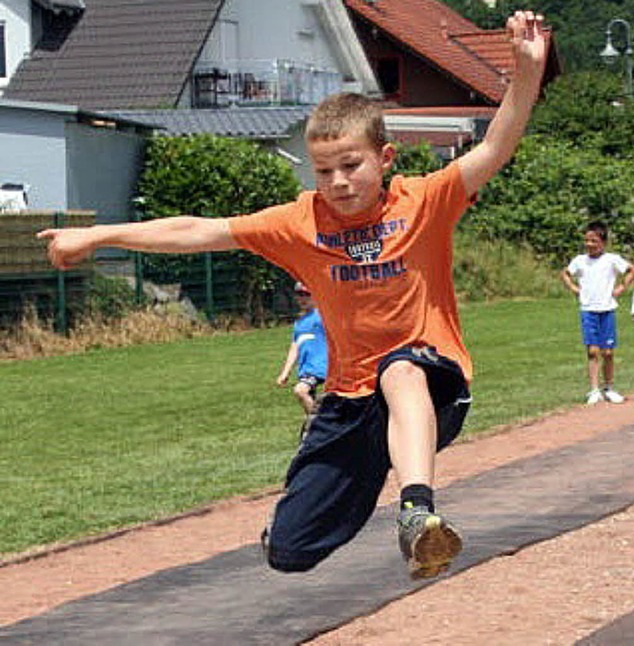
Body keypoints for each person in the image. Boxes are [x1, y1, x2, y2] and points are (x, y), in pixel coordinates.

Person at [37, 11, 547, 579]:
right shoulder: (300, 221)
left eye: (351, 166)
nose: (338, 182)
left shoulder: (424, 202)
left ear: (386, 159)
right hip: (351, 400)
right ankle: (356, 481)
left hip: (432, 380)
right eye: (324, 170)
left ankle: (416, 513)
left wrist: (525, 73)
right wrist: (98, 234)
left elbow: (495, 147)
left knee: (401, 370)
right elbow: (199, 230)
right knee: (291, 551)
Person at [561, 220, 634, 405]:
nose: (589, 245)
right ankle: (594, 389)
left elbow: (632, 270)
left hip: (607, 309)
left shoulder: (611, 259)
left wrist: (621, 287)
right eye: (587, 240)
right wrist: (573, 288)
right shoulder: (580, 261)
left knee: (608, 352)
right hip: (588, 310)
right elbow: (565, 273)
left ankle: (609, 387)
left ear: (603, 242)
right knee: (593, 351)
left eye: (594, 241)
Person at [276, 281, 328, 416]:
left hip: (323, 367)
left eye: (306, 295)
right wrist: (285, 372)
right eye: (299, 295)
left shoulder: (323, 316)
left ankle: (317, 423)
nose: (302, 299)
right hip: (307, 369)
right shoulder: (299, 323)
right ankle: (316, 423)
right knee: (306, 396)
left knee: (300, 390)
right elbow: (294, 348)